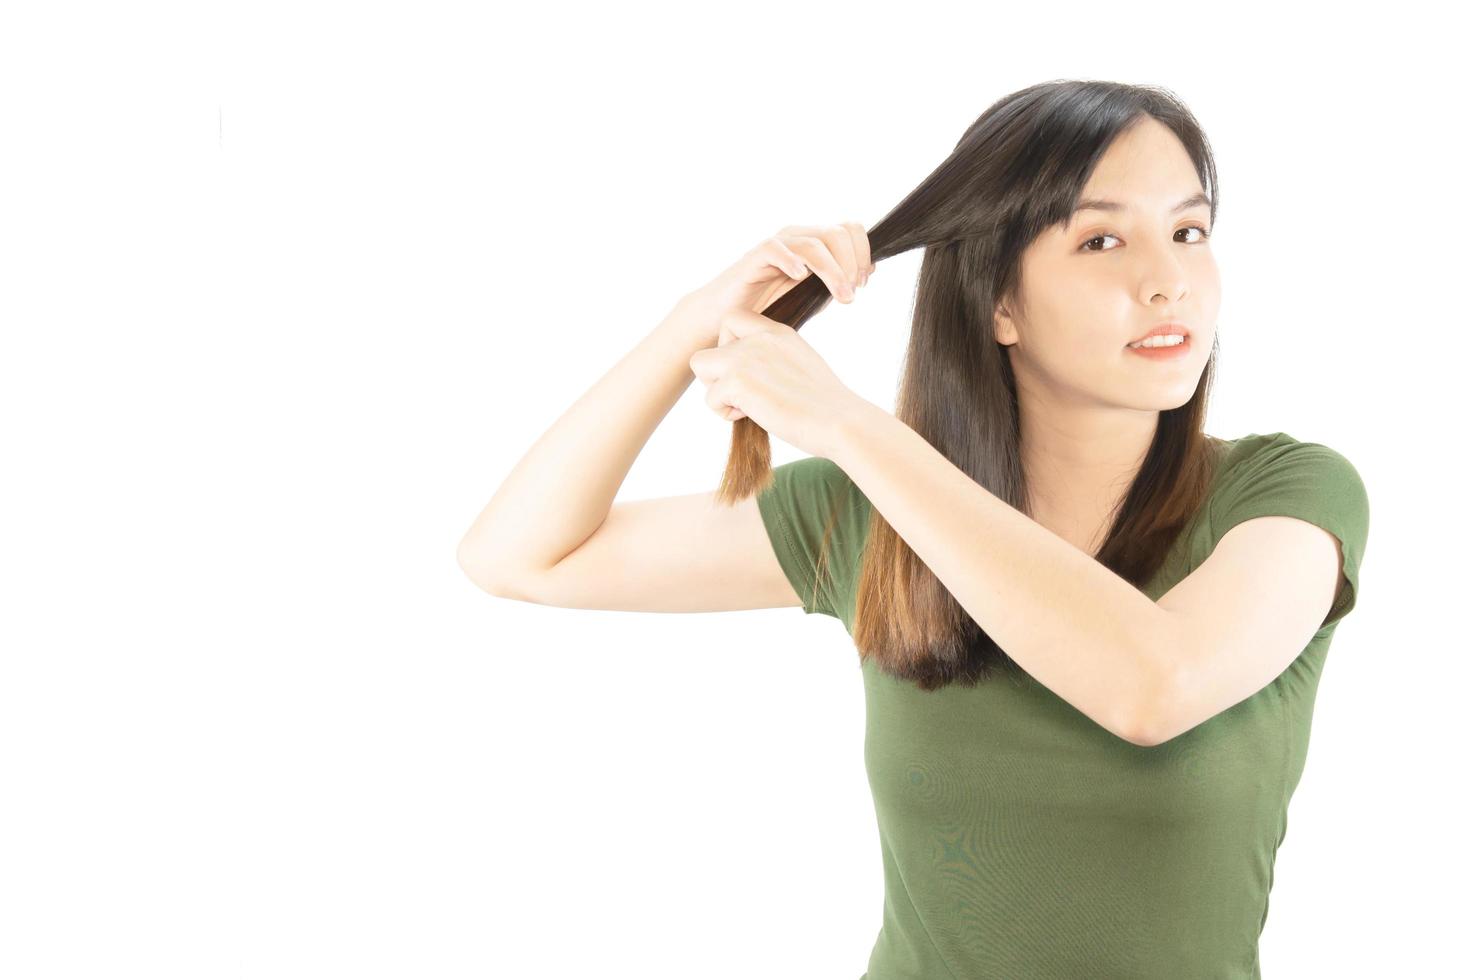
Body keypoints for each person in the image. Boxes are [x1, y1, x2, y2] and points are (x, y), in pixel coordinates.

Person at [457, 80, 1369, 980]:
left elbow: (1153, 688)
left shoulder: (1284, 494)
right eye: (1100, 239)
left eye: (1189, 232)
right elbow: (520, 555)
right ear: (998, 304)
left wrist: (851, 428)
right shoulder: (875, 514)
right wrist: (697, 317)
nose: (1168, 281)